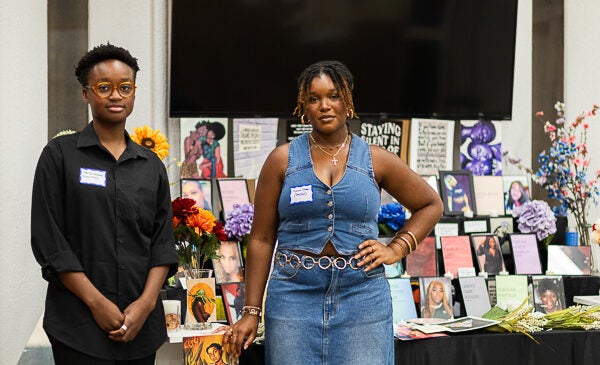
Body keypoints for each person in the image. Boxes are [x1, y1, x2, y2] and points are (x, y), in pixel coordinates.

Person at [225, 60, 443, 364]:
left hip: (362, 296)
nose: (324, 106)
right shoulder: (281, 160)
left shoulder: (377, 159)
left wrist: (396, 248)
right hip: (293, 295)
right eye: (314, 98)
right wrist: (250, 312)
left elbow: (431, 204)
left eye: (333, 96)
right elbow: (261, 238)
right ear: (304, 105)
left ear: (348, 100)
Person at [30, 43, 178, 364]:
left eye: (125, 87)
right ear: (86, 93)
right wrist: (96, 302)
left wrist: (146, 305)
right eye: (104, 87)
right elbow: (49, 242)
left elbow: (162, 243)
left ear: (134, 92)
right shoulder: (59, 156)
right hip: (77, 326)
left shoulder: (151, 165)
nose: (116, 96)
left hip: (140, 326)